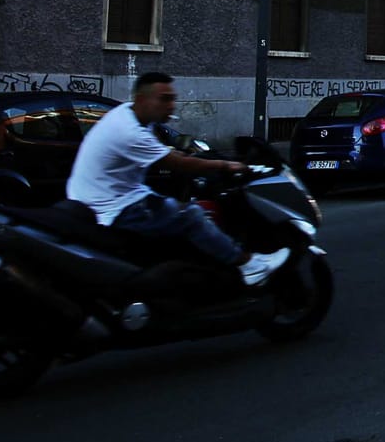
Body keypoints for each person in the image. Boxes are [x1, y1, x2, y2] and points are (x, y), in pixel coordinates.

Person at [67, 72, 289, 284]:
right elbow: (178, 165)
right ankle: (249, 266)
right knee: (192, 215)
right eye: (164, 99)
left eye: (172, 99)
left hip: (102, 197)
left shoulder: (128, 113)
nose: (171, 105)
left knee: (179, 208)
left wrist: (187, 153)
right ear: (142, 99)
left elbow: (164, 152)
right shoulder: (129, 131)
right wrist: (226, 164)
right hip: (113, 208)